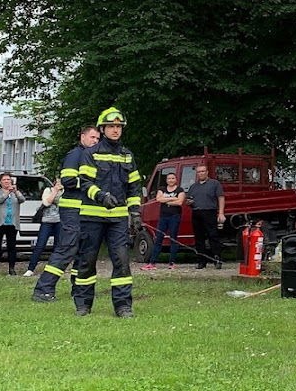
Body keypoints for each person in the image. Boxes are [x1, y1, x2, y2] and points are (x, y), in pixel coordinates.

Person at [71, 107, 143, 317]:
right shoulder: (90, 154)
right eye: (111, 126)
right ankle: (83, 305)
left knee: (122, 261)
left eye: (118, 127)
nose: (115, 130)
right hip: (92, 217)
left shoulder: (127, 155)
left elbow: (134, 186)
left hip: (118, 219)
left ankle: (123, 306)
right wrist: (101, 196)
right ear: (103, 129)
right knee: (87, 260)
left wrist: (136, 212)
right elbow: (85, 183)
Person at [32, 124, 100, 303]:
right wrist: (92, 185)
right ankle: (43, 289)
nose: (95, 141)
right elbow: (68, 180)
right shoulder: (75, 155)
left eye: (98, 139)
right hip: (72, 208)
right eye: (92, 137)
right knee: (67, 248)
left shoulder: (90, 156)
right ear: (82, 137)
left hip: (85, 209)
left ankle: (78, 288)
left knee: (83, 250)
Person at [186, 163, 226, 270]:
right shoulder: (193, 186)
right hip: (196, 213)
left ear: (207, 172)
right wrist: (189, 202)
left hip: (210, 212)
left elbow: (221, 198)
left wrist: (221, 213)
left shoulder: (214, 184)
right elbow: (188, 200)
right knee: (199, 238)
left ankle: (217, 259)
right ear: (197, 174)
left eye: (203, 171)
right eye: (199, 172)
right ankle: (201, 261)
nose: (201, 173)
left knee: (213, 236)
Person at [24, 179, 63, 277]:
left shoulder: (66, 192)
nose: (59, 184)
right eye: (57, 182)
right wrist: (55, 191)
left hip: (60, 222)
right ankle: (31, 269)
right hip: (47, 222)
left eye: (61, 182)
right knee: (40, 245)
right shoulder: (48, 190)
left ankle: (54, 268)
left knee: (58, 246)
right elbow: (46, 203)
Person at [146, 172, 185, 270]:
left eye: (172, 178)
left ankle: (172, 263)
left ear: (176, 180)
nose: (171, 180)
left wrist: (166, 199)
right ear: (166, 180)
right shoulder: (162, 189)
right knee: (158, 239)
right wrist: (172, 198)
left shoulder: (180, 190)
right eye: (169, 178)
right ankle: (152, 262)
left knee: (173, 239)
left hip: (175, 216)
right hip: (163, 217)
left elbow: (180, 202)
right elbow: (159, 199)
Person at [0, 173, 23, 275]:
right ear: (0, 182)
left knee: (12, 246)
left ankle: (12, 268)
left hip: (12, 223)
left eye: (8, 179)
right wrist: (7, 192)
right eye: (4, 180)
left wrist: (16, 191)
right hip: (0, 222)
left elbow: (22, 200)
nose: (7, 181)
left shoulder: (14, 193)